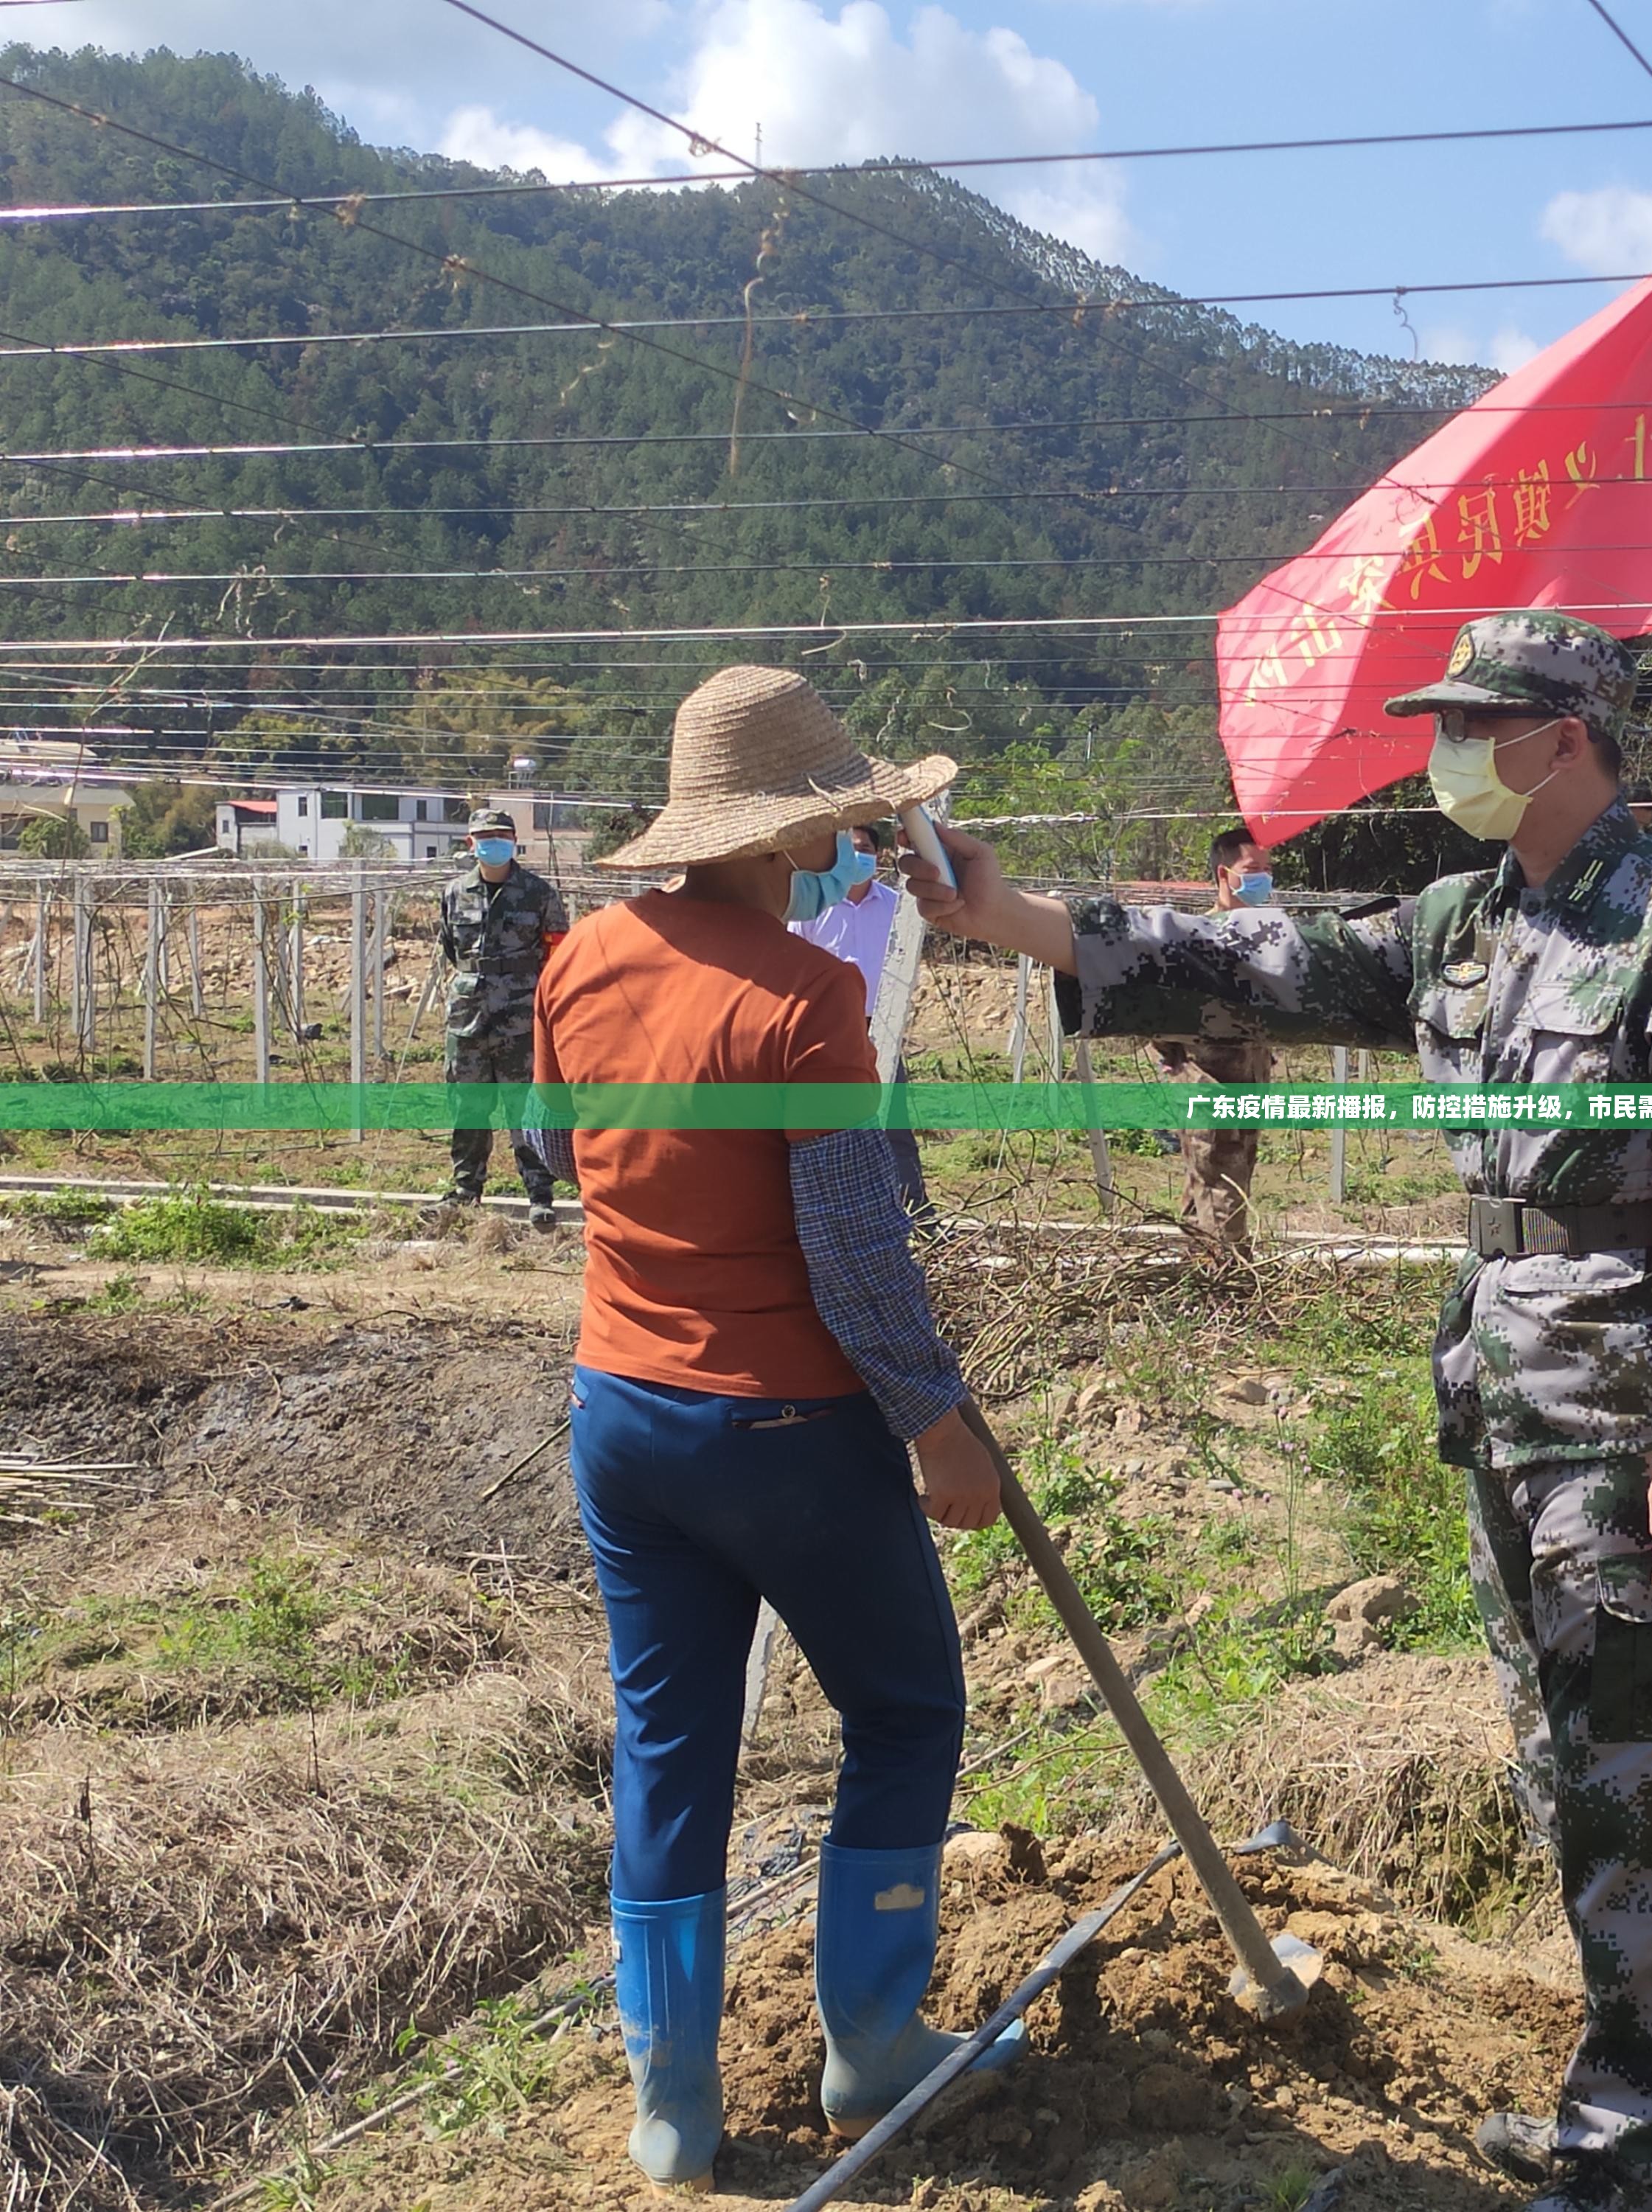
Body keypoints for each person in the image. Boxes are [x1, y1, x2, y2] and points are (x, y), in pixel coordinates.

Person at [905, 613, 1652, 2212]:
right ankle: (1623, 2110)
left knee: (1635, 1777)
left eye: (1475, 723)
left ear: (1566, 737)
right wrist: (1007, 915)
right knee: (1557, 1765)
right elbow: (1253, 963)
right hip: (1505, 1395)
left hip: (1623, 1411)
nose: (1446, 752)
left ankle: (1643, 2153)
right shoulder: (1466, 921)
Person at [524, 665, 1001, 2190]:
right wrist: (936, 1421)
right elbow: (852, 1252)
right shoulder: (807, 997)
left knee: (671, 1748)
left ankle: (671, 2104)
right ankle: (869, 2046)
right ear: (795, 834)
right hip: (785, 1426)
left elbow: (560, 1147)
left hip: (622, 1413)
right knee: (907, 1708)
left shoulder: (581, 958)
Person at [1149, 825, 1280, 1259]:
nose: (1263, 878)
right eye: (1252, 869)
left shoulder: (1263, 939)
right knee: (1220, 1185)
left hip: (1250, 1081)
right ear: (1225, 874)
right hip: (1212, 1088)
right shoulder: (1199, 940)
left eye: (1267, 869)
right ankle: (1226, 1282)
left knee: (1211, 1183)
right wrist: (1185, 1071)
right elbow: (1159, 1015)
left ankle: (1199, 1271)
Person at [787, 818, 929, 1216]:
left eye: (866, 849)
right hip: (826, 1030)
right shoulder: (815, 906)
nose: (858, 857)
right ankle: (831, 1211)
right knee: (826, 1127)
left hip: (880, 1025)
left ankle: (913, 1211)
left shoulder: (897, 909)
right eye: (850, 849)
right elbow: (795, 967)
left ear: (880, 856)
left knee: (893, 1124)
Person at [440, 807, 571, 1226]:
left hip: (521, 1016)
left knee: (526, 1107)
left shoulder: (539, 894)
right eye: (484, 837)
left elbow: (558, 955)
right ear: (470, 844)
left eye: (500, 835)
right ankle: (465, 1191)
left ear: (514, 842)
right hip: (468, 1016)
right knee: (468, 1106)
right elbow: (451, 949)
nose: (492, 843)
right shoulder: (454, 893)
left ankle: (539, 1195)